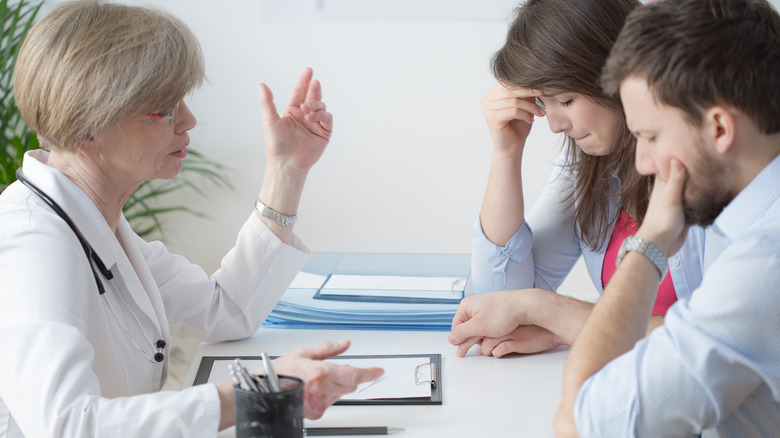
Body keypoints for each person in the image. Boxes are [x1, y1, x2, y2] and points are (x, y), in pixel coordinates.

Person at [0, 1, 383, 436]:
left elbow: (226, 311)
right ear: (89, 123)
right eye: (163, 108)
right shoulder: (32, 242)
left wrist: (286, 170)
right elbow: (66, 426)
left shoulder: (93, 221)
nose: (189, 119)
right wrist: (252, 392)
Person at [553, 0, 780, 436]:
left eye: (649, 136)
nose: (641, 163)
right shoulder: (737, 220)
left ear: (718, 129)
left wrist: (648, 244)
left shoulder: (764, 263)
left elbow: (582, 423)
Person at [449, 0, 714, 358]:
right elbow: (498, 300)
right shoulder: (588, 165)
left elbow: (715, 341)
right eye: (545, 104)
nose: (555, 125)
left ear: (618, 74)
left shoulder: (711, 167)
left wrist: (556, 317)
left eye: (567, 100)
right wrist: (506, 155)